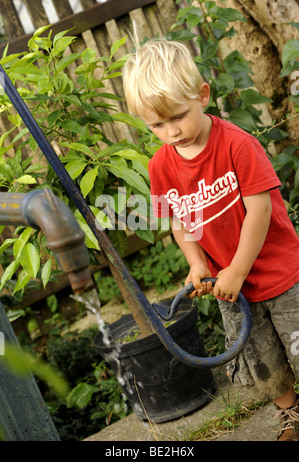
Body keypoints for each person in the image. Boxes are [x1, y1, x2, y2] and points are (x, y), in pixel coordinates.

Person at [122, 35, 299, 441]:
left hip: (279, 273)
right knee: (259, 357)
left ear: (202, 95)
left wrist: (237, 268)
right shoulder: (161, 166)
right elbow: (180, 222)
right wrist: (198, 263)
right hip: (229, 286)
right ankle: (290, 413)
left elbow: (261, 210)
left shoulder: (237, 144)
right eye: (156, 125)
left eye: (178, 117)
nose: (171, 132)